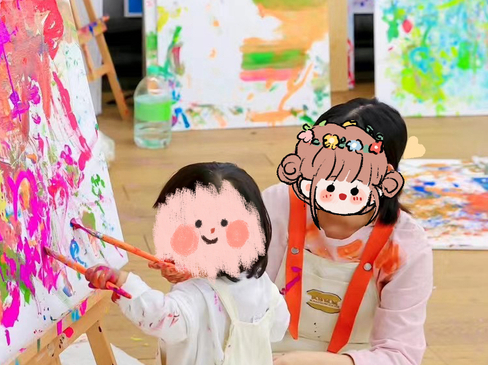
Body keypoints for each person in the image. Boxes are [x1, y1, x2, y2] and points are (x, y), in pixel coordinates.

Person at [155, 99, 432, 365]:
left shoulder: (406, 245)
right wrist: (198, 272)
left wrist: (312, 362)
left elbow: (400, 355)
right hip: (260, 351)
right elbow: (236, 290)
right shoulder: (278, 204)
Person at [84, 162, 290, 365]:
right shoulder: (262, 284)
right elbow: (278, 328)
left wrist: (124, 282)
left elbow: (160, 316)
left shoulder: (194, 296)